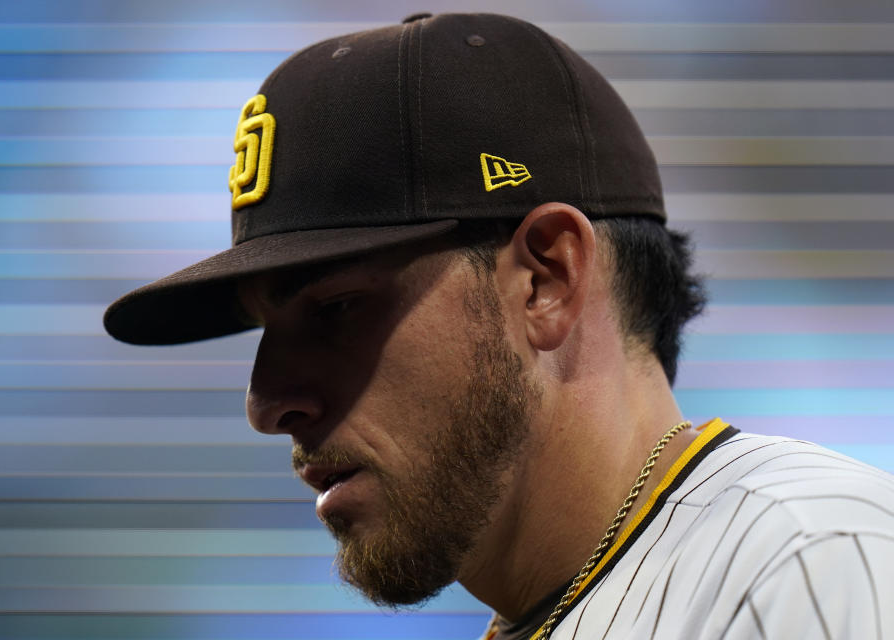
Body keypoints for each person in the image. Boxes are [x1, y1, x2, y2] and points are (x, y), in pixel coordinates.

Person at [104, 13, 894, 639]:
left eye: (336, 308)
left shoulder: (810, 563)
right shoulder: (585, 596)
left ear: (546, 279)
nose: (267, 401)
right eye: (261, 327)